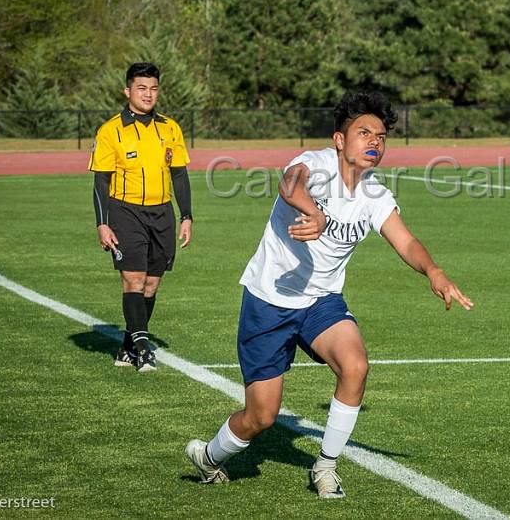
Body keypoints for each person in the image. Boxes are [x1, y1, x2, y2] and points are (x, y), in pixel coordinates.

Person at [184, 91, 472, 498]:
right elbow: (289, 184)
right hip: (270, 300)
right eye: (364, 132)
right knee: (261, 416)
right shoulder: (315, 165)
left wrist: (434, 271)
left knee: (355, 366)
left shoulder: (375, 195)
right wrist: (314, 212)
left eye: (382, 136)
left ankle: (326, 466)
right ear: (340, 139)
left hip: (321, 302)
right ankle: (210, 457)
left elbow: (405, 241)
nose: (375, 141)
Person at [88, 62, 193, 372]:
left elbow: (180, 175)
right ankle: (144, 348)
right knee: (133, 279)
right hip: (125, 211)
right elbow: (101, 181)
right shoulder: (111, 130)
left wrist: (186, 215)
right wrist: (102, 222)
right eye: (142, 88)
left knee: (151, 285)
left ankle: (126, 345)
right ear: (128, 91)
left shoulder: (170, 127)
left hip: (162, 213)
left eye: (153, 89)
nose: (148, 94)